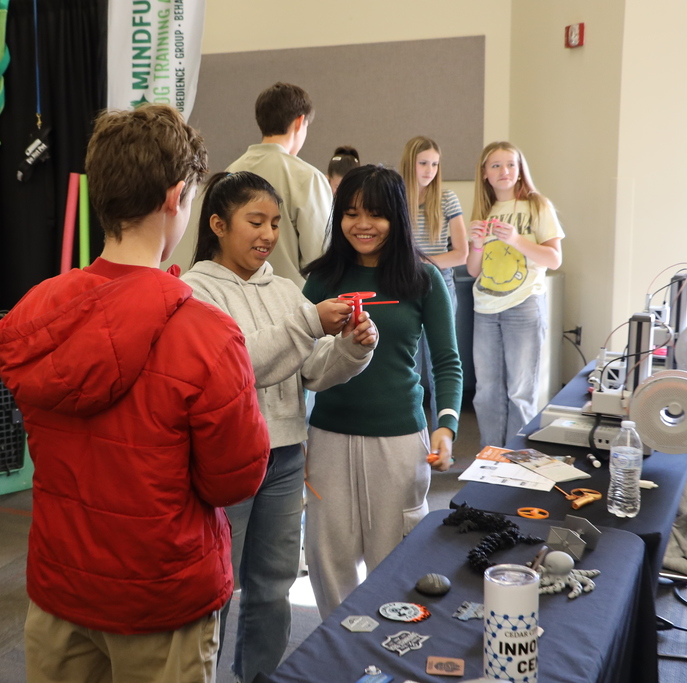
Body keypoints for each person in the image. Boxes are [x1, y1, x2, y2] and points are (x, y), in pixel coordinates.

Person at [0, 105, 270, 683]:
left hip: (62, 583)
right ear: (175, 197)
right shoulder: (207, 334)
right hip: (161, 597)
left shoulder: (38, 312)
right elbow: (233, 479)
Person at [182, 171, 377, 683]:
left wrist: (353, 348)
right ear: (219, 225)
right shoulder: (194, 292)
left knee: (273, 586)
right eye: (255, 221)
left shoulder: (285, 289)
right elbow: (239, 366)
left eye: (274, 223)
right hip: (226, 464)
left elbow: (311, 371)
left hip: (286, 457)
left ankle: (259, 677)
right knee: (217, 587)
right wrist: (310, 323)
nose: (268, 234)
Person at [301, 165, 463, 619]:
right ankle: (341, 649)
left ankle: (388, 656)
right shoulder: (320, 280)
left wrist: (446, 427)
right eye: (351, 213)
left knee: (394, 559)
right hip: (328, 438)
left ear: (396, 216)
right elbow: (301, 360)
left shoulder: (423, 279)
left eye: (375, 213)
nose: (362, 224)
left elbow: (448, 363)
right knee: (327, 557)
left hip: (398, 439)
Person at [467, 142, 564, 447]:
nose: (504, 171)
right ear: (484, 173)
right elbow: (473, 269)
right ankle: (490, 457)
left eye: (510, 164)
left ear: (520, 169)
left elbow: (553, 259)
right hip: (485, 308)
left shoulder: (538, 206)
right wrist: (478, 244)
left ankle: (515, 459)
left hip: (523, 306)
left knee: (520, 391)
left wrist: (517, 239)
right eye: (495, 165)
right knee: (486, 391)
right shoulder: (484, 210)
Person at [226, 82, 333, 287]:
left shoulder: (229, 173)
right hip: (293, 306)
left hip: (236, 300)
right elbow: (321, 260)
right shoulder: (308, 177)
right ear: (299, 122)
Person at [400, 136, 468, 423]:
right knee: (408, 364)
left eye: (435, 164)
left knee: (441, 363)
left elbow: (461, 253)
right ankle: (409, 429)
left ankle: (444, 430)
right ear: (410, 163)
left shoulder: (447, 198)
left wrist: (423, 264)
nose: (430, 170)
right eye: (424, 163)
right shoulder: (397, 198)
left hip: (440, 287)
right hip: (404, 286)